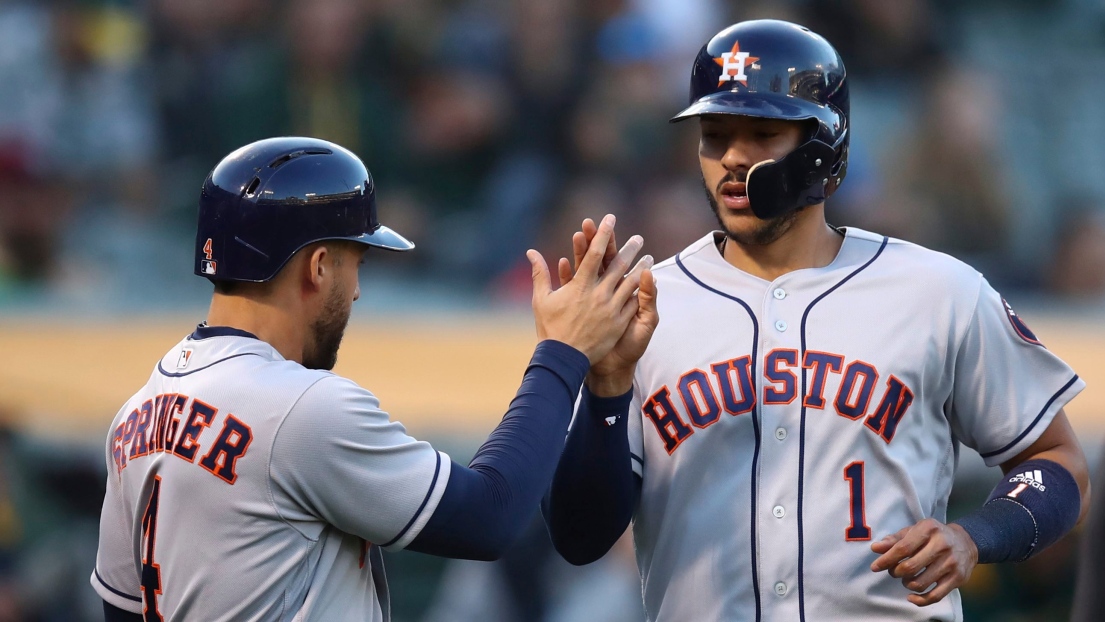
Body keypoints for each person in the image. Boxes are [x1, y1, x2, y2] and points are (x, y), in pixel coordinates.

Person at [543, 19, 1090, 622]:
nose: (731, 157)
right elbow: (579, 537)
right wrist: (607, 386)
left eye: (762, 133)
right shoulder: (645, 306)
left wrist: (975, 537)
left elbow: (1058, 462)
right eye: (715, 133)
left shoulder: (938, 292)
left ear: (826, 144)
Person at [89, 136, 657, 621]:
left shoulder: (138, 411)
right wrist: (562, 352)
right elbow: (490, 514)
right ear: (317, 267)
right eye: (354, 262)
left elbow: (120, 608)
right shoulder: (299, 407)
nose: (357, 290)